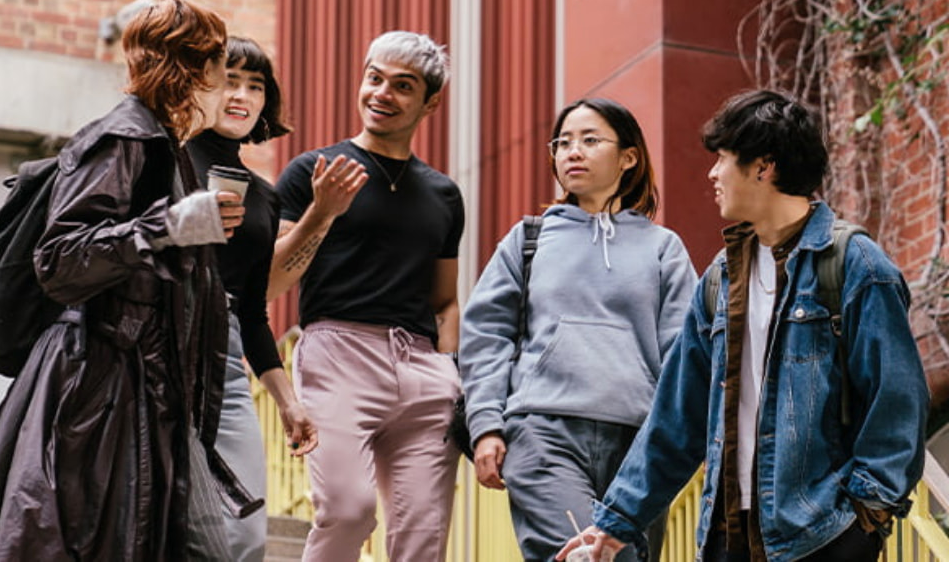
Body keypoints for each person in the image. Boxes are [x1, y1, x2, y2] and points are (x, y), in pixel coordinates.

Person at [0, 0, 257, 560]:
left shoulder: (161, 143)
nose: (225, 74)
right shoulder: (123, 137)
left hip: (135, 383)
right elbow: (61, 258)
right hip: (95, 385)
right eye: (219, 58)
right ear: (191, 65)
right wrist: (172, 225)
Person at [557, 89, 930, 562]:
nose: (712, 174)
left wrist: (865, 518)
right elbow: (677, 415)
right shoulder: (721, 278)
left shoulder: (854, 266)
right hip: (727, 532)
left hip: (821, 534)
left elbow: (898, 404)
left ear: (763, 167)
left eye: (723, 160)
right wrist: (616, 524)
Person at [460, 97, 696, 562]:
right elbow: (486, 336)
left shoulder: (663, 248)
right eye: (563, 142)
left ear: (629, 157)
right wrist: (486, 424)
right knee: (581, 558)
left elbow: (683, 354)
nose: (573, 152)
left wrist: (676, 439)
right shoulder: (528, 240)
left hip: (639, 442)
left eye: (590, 140)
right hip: (543, 432)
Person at [273, 30, 465, 561]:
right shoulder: (313, 172)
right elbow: (273, 282)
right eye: (374, 78)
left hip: (424, 368)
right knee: (348, 510)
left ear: (430, 103)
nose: (381, 93)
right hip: (338, 353)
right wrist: (322, 211)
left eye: (402, 85)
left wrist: (448, 368)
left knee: (423, 535)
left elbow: (444, 299)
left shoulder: (444, 194)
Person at [185, 35, 362, 560]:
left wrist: (288, 401)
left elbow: (252, 307)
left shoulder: (265, 197)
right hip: (152, 351)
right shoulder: (161, 162)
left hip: (226, 361)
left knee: (243, 531)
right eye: (229, 80)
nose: (241, 96)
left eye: (255, 86)